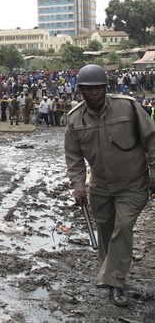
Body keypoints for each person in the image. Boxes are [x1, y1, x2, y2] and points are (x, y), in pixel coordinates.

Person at [65, 64, 155, 307]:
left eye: (98, 88)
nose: (93, 93)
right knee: (106, 230)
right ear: (80, 91)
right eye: (88, 89)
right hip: (100, 186)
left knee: (123, 227)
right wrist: (78, 187)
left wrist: (154, 172)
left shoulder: (127, 107)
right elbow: (73, 157)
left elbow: (151, 139)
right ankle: (110, 272)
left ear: (105, 88)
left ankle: (115, 282)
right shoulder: (75, 118)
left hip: (133, 182)